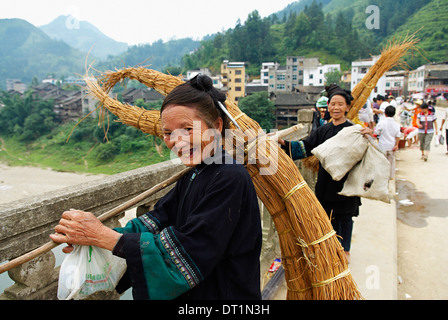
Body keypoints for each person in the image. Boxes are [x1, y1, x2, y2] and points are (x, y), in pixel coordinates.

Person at [50, 75, 263, 300]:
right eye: (168, 133)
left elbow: (189, 249)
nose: (176, 141)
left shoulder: (230, 177)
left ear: (217, 126)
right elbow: (157, 221)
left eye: (187, 129)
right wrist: (94, 239)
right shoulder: (195, 173)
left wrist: (102, 235)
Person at [275, 84, 373, 263]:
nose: (336, 108)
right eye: (332, 104)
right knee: (327, 216)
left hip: (345, 181)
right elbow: (306, 147)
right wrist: (284, 143)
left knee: (345, 217)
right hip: (326, 181)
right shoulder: (323, 130)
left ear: (347, 107)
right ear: (328, 107)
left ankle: (345, 250)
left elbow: (366, 154)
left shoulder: (354, 130)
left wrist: (368, 136)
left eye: (340, 104)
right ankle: (329, 248)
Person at [374, 106, 401, 179]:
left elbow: (376, 132)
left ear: (385, 114)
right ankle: (390, 177)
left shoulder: (382, 123)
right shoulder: (397, 125)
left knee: (382, 162)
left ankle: (382, 176)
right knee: (391, 163)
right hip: (391, 146)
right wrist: (396, 145)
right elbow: (398, 135)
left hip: (382, 145)